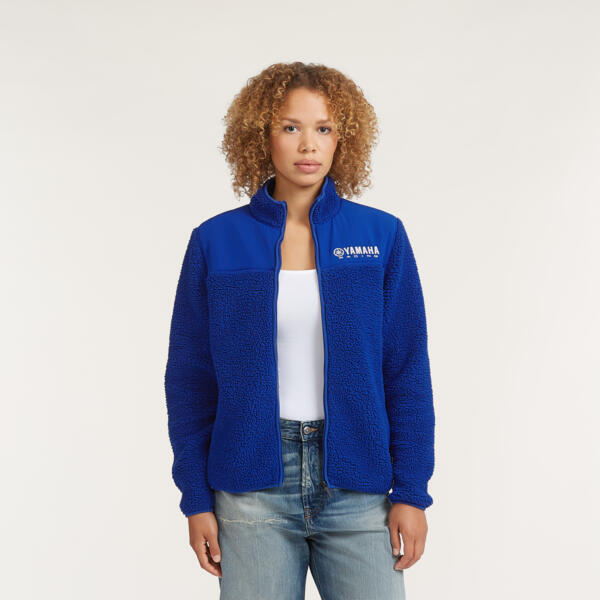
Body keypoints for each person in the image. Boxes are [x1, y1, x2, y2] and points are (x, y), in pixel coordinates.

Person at [164, 61, 436, 599]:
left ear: (343, 139)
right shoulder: (215, 241)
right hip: (250, 490)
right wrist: (195, 498)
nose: (308, 144)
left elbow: (406, 369)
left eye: (324, 128)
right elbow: (190, 380)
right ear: (260, 136)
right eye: (290, 127)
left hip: (359, 486)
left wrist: (411, 491)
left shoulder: (381, 236)